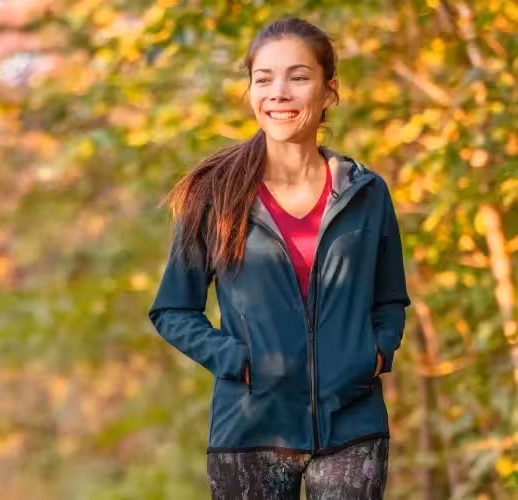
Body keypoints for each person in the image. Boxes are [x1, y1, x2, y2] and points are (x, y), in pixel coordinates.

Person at [147, 17, 410, 500]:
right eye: (263, 78)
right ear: (250, 91)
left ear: (328, 91)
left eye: (298, 77)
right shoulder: (217, 195)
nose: (279, 92)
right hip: (249, 430)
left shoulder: (366, 193)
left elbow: (391, 299)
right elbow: (172, 309)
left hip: (352, 423)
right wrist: (236, 360)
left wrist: (375, 353)